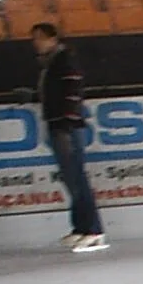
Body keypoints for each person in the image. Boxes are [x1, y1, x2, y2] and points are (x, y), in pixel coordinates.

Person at [31, 23, 107, 253]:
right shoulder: (51, 64)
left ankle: (93, 230)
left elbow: (73, 92)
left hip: (66, 127)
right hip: (57, 124)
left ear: (53, 38)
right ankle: (81, 227)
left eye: (40, 38)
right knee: (70, 178)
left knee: (77, 176)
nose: (36, 43)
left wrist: (66, 122)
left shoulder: (64, 61)